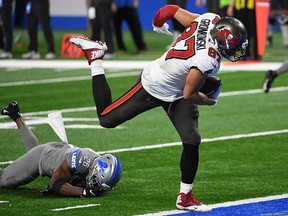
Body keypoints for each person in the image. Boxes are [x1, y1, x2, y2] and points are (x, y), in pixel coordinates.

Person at [70, 4, 248, 211]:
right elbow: (190, 94)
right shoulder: (209, 59)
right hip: (154, 84)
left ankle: (185, 196)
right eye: (235, 45)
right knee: (106, 119)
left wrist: (157, 24)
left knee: (192, 139)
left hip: (177, 88)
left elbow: (170, 9)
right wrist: (210, 101)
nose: (237, 49)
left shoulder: (208, 19)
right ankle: (96, 57)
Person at [0, 100, 122, 197]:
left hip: (55, 150)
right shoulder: (81, 161)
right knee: (3, 180)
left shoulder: (93, 161)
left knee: (34, 149)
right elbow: (56, 184)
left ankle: (14, 113)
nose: (96, 185)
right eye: (97, 181)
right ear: (96, 169)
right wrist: (83, 191)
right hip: (40, 157)